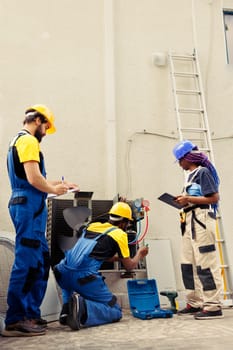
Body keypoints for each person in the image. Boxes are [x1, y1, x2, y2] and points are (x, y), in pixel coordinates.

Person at [2, 104, 79, 337]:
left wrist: (60, 185)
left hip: (31, 204)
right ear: (38, 120)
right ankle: (16, 319)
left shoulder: (21, 141)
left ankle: (30, 314)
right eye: (46, 126)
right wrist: (55, 189)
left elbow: (35, 180)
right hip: (28, 206)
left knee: (39, 261)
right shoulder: (28, 141)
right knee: (27, 261)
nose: (46, 132)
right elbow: (34, 179)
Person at [53, 201, 149, 330]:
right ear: (123, 222)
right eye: (128, 223)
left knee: (68, 285)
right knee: (115, 310)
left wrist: (118, 258)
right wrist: (140, 254)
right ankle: (82, 308)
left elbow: (97, 253)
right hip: (84, 278)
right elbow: (130, 267)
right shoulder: (120, 234)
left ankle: (66, 311)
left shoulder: (93, 225)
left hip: (61, 271)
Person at [172, 139, 223, 320]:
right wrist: (183, 200)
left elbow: (213, 198)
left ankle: (213, 306)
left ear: (187, 158)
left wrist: (188, 199)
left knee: (206, 263)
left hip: (201, 220)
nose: (179, 164)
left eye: (180, 160)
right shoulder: (191, 176)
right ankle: (195, 302)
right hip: (189, 220)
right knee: (188, 263)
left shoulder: (203, 172)